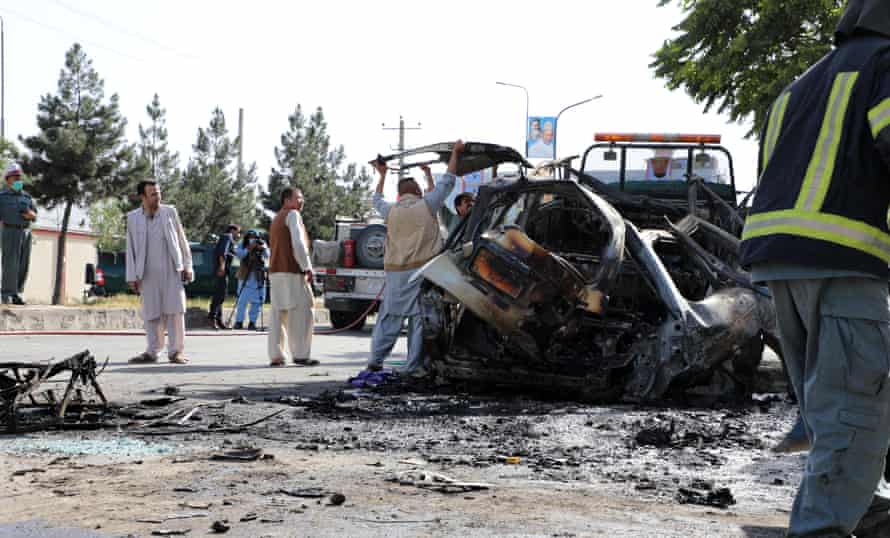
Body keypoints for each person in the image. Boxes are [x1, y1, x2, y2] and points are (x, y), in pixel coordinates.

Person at [740, 2, 890, 535]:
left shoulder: (799, 85)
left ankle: (869, 508)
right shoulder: (884, 64)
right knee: (855, 411)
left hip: (780, 263)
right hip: (844, 261)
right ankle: (822, 527)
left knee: (831, 407)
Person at [367, 140, 461, 375]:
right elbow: (447, 183)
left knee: (389, 318)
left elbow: (376, 199)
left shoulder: (391, 211)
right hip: (421, 273)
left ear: (399, 194)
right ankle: (413, 366)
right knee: (419, 321)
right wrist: (456, 154)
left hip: (395, 274)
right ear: (418, 192)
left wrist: (382, 174)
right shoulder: (426, 206)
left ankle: (375, 360)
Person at [126, 180, 193, 364]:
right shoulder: (133, 218)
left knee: (175, 312)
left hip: (172, 270)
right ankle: (152, 351)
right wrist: (132, 276)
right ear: (143, 197)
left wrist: (187, 266)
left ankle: (176, 352)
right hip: (147, 274)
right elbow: (130, 248)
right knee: (151, 313)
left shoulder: (169, 212)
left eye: (158, 192)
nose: (158, 197)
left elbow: (181, 239)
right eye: (153, 194)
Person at [268, 187, 317, 367]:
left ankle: (276, 355)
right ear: (287, 200)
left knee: (278, 314)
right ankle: (301, 354)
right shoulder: (293, 215)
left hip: (275, 271)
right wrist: (307, 267)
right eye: (298, 198)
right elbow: (298, 243)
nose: (301, 201)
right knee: (302, 312)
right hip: (291, 271)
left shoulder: (276, 218)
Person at [0, 162, 37, 305]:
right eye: (15, 177)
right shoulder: (2, 197)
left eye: (19, 177)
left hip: (25, 232)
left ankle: (17, 294)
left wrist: (30, 215)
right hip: (9, 231)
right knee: (10, 264)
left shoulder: (27, 197)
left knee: (23, 264)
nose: (18, 180)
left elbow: (35, 214)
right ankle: (6, 294)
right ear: (8, 179)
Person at [233, 229, 269, 331]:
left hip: (258, 275)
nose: (252, 239)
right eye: (250, 237)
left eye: (254, 238)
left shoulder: (262, 243)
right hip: (245, 274)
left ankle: (252, 322)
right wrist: (249, 249)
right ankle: (239, 322)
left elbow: (267, 255)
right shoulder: (242, 244)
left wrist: (262, 248)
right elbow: (239, 254)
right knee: (242, 300)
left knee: (257, 301)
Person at [208, 224, 240, 329]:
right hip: (221, 270)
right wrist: (221, 267)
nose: (238, 234)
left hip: (222, 271)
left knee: (221, 295)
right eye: (237, 232)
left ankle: (219, 320)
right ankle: (211, 317)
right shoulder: (227, 237)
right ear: (232, 230)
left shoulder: (225, 237)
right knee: (220, 295)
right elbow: (222, 253)